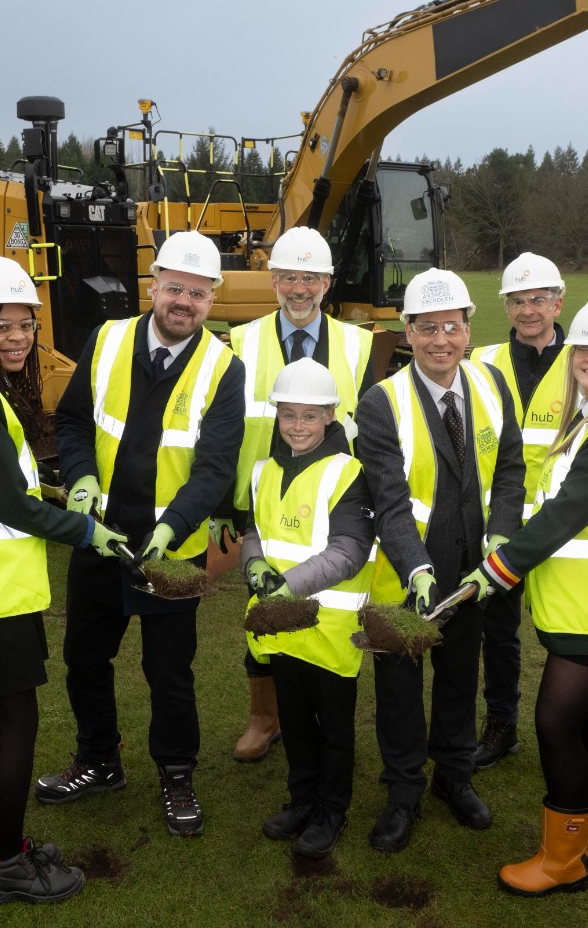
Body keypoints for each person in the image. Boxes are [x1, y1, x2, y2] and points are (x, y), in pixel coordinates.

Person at [0, 257, 127, 905]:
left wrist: (63, 496)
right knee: (14, 723)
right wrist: (88, 532)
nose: (17, 337)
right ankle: (8, 862)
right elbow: (10, 505)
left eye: (26, 325)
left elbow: (6, 487)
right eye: (2, 325)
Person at [36, 229, 246, 837]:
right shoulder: (105, 339)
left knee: (170, 672)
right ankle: (99, 760)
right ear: (153, 286)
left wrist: (171, 528)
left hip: (169, 555)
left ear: (212, 299)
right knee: (84, 658)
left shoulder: (222, 369)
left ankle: (177, 773)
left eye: (198, 293)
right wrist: (78, 481)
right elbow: (73, 422)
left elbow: (215, 468)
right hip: (100, 540)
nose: (184, 301)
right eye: (174, 287)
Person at [463, 296, 588, 897]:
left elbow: (566, 515)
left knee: (554, 724)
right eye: (586, 349)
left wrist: (498, 566)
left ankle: (562, 859)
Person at [354, 268, 525, 853]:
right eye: (427, 329)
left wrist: (501, 538)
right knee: (399, 689)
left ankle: (455, 776)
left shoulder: (493, 386)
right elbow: (390, 500)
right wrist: (419, 571)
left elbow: (509, 473)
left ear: (468, 329)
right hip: (407, 576)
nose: (440, 341)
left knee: (459, 678)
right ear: (407, 331)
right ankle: (403, 791)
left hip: (474, 572)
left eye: (451, 327)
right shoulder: (381, 402)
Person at [226, 226, 376, 763]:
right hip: (263, 493)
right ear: (273, 281)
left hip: (332, 498)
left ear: (327, 283)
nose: (299, 287)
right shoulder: (241, 341)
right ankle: (265, 719)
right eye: (289, 275)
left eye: (310, 277)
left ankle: (314, 711)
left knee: (323, 604)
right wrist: (233, 501)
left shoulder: (358, 344)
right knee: (261, 607)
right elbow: (226, 425)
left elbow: (370, 426)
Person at [240, 359, 377, 860]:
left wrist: (284, 588)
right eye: (289, 415)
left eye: (310, 417)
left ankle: (330, 810)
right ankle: (302, 801)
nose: (298, 427)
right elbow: (254, 529)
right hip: (283, 629)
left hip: (329, 629)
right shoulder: (263, 470)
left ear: (331, 416)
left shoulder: (348, 472)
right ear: (277, 415)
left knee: (334, 728)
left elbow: (349, 550)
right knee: (295, 721)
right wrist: (253, 567)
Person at [470, 252, 571, 769]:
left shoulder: (587, 358)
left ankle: (572, 722)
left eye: (538, 299)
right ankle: (501, 724)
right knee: (498, 630)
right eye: (517, 301)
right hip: (501, 522)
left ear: (559, 301)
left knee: (566, 631)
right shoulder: (483, 361)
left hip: (568, 524)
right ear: (506, 306)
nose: (528, 310)